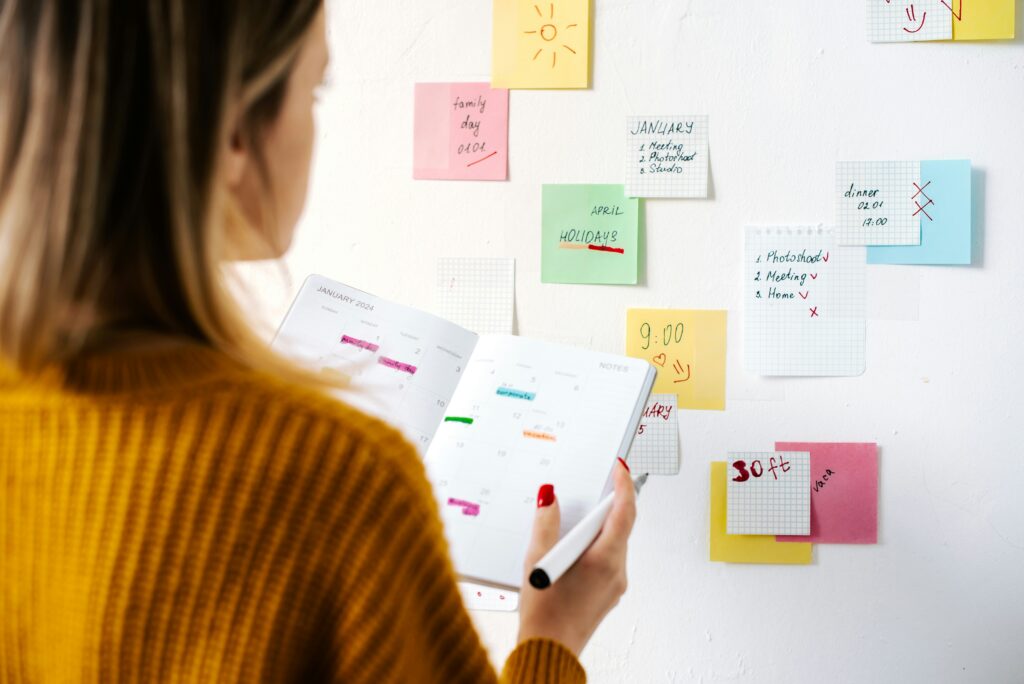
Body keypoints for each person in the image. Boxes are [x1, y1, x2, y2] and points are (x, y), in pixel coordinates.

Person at [0, 1, 637, 682]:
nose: (314, 123)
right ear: (235, 135)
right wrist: (554, 632)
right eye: (313, 91)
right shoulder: (333, 484)